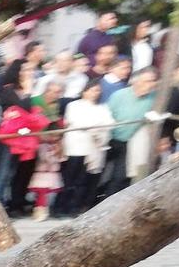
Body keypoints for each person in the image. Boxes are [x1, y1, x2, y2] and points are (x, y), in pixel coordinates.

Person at [0, 72, 51, 217]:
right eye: (26, 72)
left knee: (23, 174)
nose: (30, 76)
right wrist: (27, 91)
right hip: (11, 139)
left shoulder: (33, 92)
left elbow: (37, 111)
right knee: (5, 174)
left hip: (28, 139)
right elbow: (23, 109)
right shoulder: (8, 91)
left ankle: (17, 204)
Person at [56, 80, 112, 217]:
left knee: (84, 180)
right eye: (92, 90)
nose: (95, 93)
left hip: (93, 147)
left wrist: (97, 128)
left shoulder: (102, 108)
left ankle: (76, 206)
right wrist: (96, 126)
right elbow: (76, 121)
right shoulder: (73, 105)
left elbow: (109, 123)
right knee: (69, 179)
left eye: (97, 90)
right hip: (76, 147)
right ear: (85, 91)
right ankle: (61, 206)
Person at [102, 66, 158, 195]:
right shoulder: (119, 95)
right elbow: (107, 116)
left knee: (120, 176)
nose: (151, 85)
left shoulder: (155, 97)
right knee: (100, 173)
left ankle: (111, 204)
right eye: (147, 81)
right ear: (136, 81)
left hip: (130, 140)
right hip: (111, 138)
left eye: (153, 81)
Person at [26, 80, 67, 221]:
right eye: (54, 92)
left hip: (51, 146)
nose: (56, 95)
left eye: (59, 92)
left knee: (45, 186)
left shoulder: (56, 106)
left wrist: (56, 140)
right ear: (46, 91)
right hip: (35, 144)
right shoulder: (35, 101)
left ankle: (42, 209)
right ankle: (36, 209)